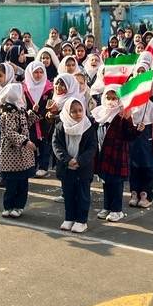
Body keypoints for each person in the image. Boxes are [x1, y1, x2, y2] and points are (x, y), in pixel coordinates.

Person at [52, 96, 97, 233]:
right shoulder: (61, 126)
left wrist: (80, 161)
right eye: (74, 111)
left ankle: (81, 220)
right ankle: (69, 218)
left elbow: (92, 147)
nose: (78, 114)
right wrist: (67, 159)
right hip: (67, 167)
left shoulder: (88, 126)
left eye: (80, 110)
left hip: (83, 168)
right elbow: (56, 145)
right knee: (69, 194)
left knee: (83, 195)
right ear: (67, 112)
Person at [93, 88, 138, 222]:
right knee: (106, 183)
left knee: (116, 184)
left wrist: (137, 130)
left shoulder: (122, 115)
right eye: (108, 98)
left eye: (114, 98)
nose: (111, 101)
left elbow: (129, 135)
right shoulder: (99, 114)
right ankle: (107, 206)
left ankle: (116, 210)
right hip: (103, 154)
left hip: (117, 155)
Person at [0, 82, 38, 218]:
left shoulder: (21, 110)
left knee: (22, 184)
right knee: (11, 184)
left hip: (23, 155)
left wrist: (33, 113)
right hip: (11, 153)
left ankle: (19, 206)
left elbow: (25, 126)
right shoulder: (7, 112)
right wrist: (25, 141)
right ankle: (8, 206)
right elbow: (9, 132)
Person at [129, 95, 153, 208]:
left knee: (147, 169)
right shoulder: (129, 105)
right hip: (133, 143)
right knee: (134, 169)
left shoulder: (150, 106)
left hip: (147, 144)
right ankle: (134, 192)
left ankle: (146, 194)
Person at [23, 61, 55, 176]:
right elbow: (22, 104)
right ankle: (32, 166)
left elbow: (50, 104)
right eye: (35, 72)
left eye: (41, 72)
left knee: (45, 144)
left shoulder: (49, 87)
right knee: (31, 144)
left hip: (44, 121)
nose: (38, 75)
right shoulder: (24, 87)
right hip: (29, 121)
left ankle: (43, 167)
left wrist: (40, 114)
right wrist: (31, 113)